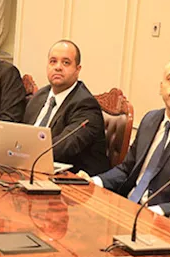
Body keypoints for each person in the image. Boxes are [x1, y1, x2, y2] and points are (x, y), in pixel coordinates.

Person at [80, 58, 170, 216]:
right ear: (161, 88)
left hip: (162, 220)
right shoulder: (150, 119)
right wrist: (94, 181)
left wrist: (158, 211)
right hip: (125, 207)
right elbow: (126, 170)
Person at [22, 40, 109, 175]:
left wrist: (22, 153)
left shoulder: (86, 105)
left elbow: (63, 147)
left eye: (66, 63)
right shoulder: (40, 96)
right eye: (53, 61)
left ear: (77, 70)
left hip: (74, 179)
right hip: (34, 170)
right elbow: (23, 133)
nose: (58, 67)